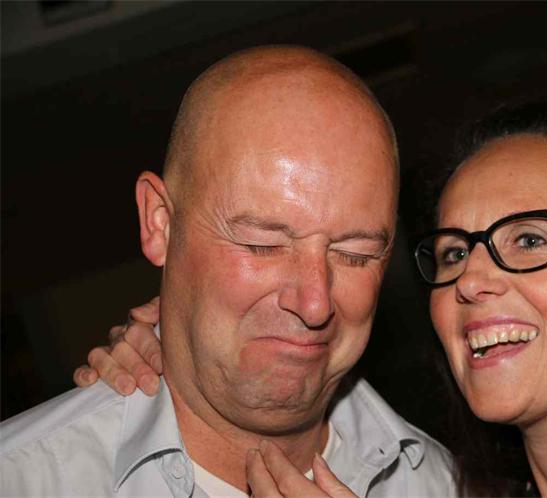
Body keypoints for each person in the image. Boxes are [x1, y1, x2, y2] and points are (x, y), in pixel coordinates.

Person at [76, 96, 547, 497]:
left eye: (528, 240)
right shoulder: (456, 486)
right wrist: (181, 351)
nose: (471, 281)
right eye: (454, 251)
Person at [0, 46, 456, 497]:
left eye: (355, 253)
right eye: (263, 244)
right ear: (160, 223)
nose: (315, 303)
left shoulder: (443, 485)